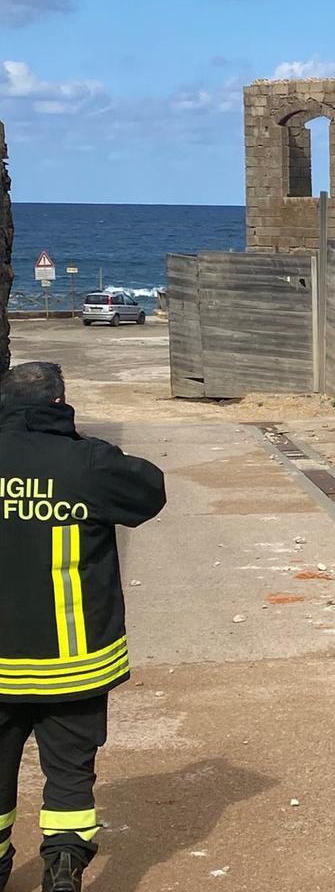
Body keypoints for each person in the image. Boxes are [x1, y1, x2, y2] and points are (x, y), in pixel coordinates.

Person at [0, 363, 165, 892]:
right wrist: (76, 443)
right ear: (58, 404)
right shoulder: (87, 462)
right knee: (70, 771)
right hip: (72, 663)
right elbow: (149, 491)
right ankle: (65, 866)